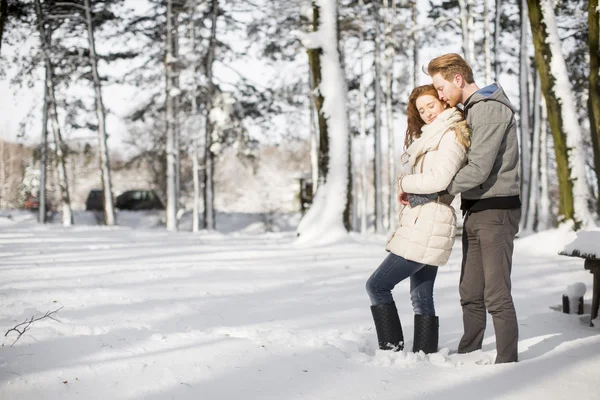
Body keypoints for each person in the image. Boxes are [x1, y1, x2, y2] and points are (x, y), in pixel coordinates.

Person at [424, 53, 521, 363]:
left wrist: (437, 189)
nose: (440, 96)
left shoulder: (490, 109)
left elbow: (478, 168)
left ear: (458, 79)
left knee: (496, 293)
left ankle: (507, 362)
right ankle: (469, 352)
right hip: (477, 209)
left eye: (440, 88)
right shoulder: (473, 110)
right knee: (470, 291)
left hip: (497, 210)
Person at [366, 84, 470, 354]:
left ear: (444, 103)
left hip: (430, 220)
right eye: (421, 110)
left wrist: (404, 182)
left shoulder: (450, 134)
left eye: (431, 105)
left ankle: (390, 350)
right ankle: (424, 354)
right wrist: (412, 193)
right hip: (428, 216)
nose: (426, 113)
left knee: (377, 285)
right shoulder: (435, 136)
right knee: (421, 295)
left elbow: (439, 179)